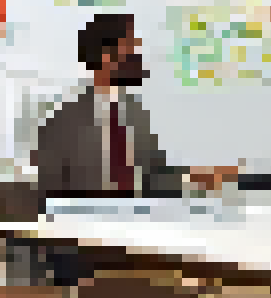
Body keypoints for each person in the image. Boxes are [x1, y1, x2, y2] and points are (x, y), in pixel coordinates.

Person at [30, 13, 234, 197]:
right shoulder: (60, 125)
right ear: (106, 57)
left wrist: (194, 178)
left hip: (139, 224)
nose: (139, 58)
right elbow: (49, 196)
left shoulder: (136, 114)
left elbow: (153, 176)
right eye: (131, 49)